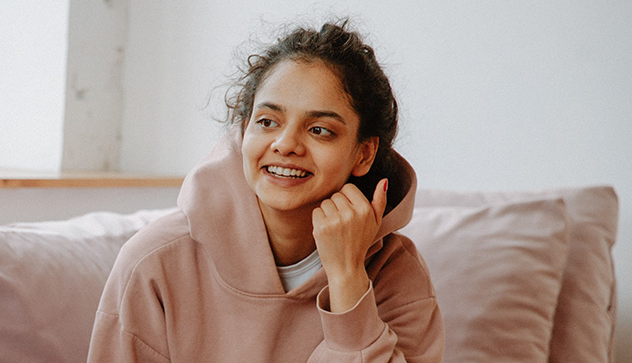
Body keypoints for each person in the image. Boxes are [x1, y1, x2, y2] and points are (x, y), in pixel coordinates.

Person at [87, 21, 443, 362]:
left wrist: (348, 280)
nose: (286, 144)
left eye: (320, 130)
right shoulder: (153, 264)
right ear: (244, 132)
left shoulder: (397, 275)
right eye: (267, 122)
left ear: (363, 153)